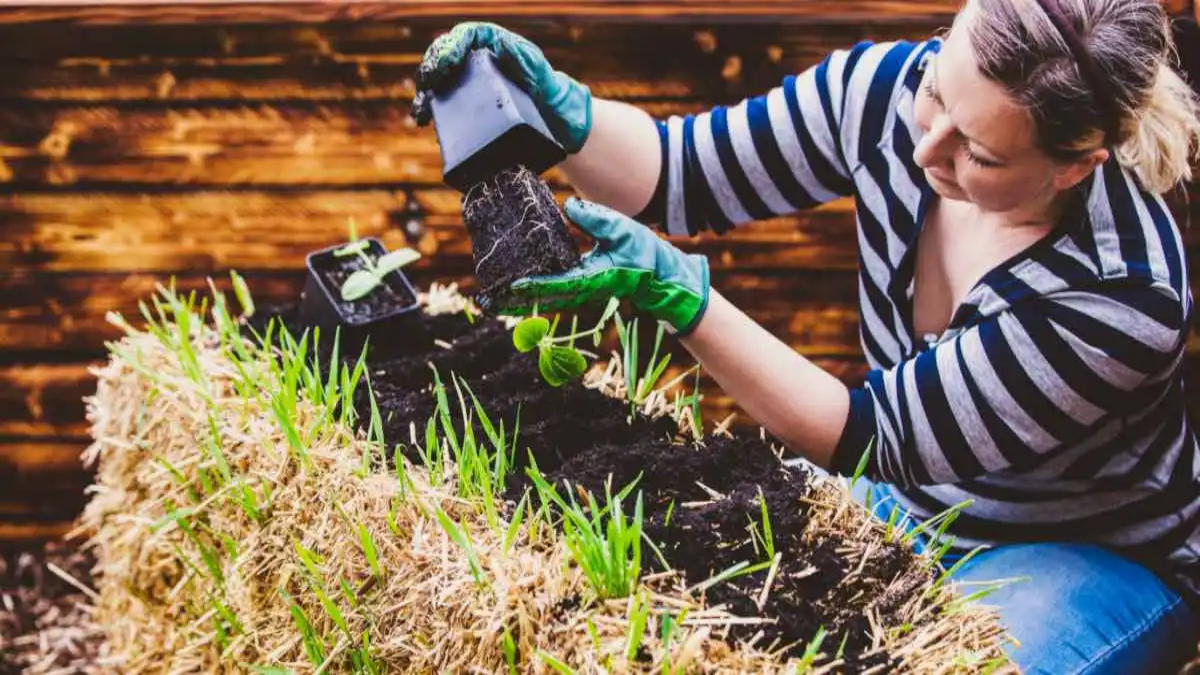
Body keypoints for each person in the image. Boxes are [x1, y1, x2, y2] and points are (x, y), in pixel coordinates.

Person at [413, 0, 1200, 671]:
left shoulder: (1122, 295)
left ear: (1076, 166)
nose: (927, 149)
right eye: (937, 94)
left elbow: (865, 435)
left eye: (981, 154)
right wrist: (565, 111)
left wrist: (679, 298)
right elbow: (681, 172)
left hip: (1089, 547)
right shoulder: (888, 90)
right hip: (917, 498)